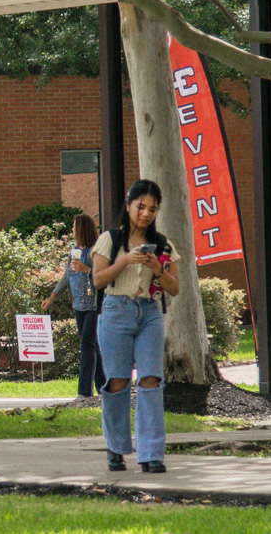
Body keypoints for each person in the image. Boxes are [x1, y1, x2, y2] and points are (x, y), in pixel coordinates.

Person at [91, 180, 179, 474]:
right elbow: (98, 280)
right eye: (140, 206)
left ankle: (152, 453)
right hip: (116, 311)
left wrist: (157, 267)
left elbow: (174, 288)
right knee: (116, 382)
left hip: (150, 312)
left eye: (152, 208)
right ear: (128, 205)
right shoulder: (110, 239)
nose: (145, 214)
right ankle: (116, 448)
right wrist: (127, 260)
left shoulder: (164, 244)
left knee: (150, 380)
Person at [43, 214, 104, 397]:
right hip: (79, 306)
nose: (72, 230)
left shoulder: (96, 250)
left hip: (94, 306)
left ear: (82, 228)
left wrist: (87, 270)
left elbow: (103, 275)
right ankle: (103, 388)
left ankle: (84, 392)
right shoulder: (73, 252)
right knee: (93, 346)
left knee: (87, 344)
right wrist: (52, 297)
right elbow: (66, 277)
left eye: (74, 226)